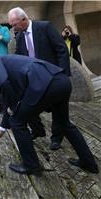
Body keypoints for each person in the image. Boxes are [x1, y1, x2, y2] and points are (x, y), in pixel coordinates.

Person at [0, 54, 99, 175]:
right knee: (64, 123)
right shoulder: (2, 68)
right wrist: (2, 130)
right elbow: (9, 101)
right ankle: (88, 162)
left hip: (46, 84)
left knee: (17, 122)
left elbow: (4, 85)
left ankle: (32, 166)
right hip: (61, 81)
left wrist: (15, 110)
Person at [8, 7, 70, 150]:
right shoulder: (19, 37)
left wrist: (62, 74)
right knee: (27, 104)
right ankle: (38, 130)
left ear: (24, 19)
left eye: (14, 24)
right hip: (35, 79)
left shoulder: (45, 27)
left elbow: (61, 49)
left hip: (54, 76)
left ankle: (56, 138)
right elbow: (19, 57)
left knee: (59, 110)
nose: (13, 28)